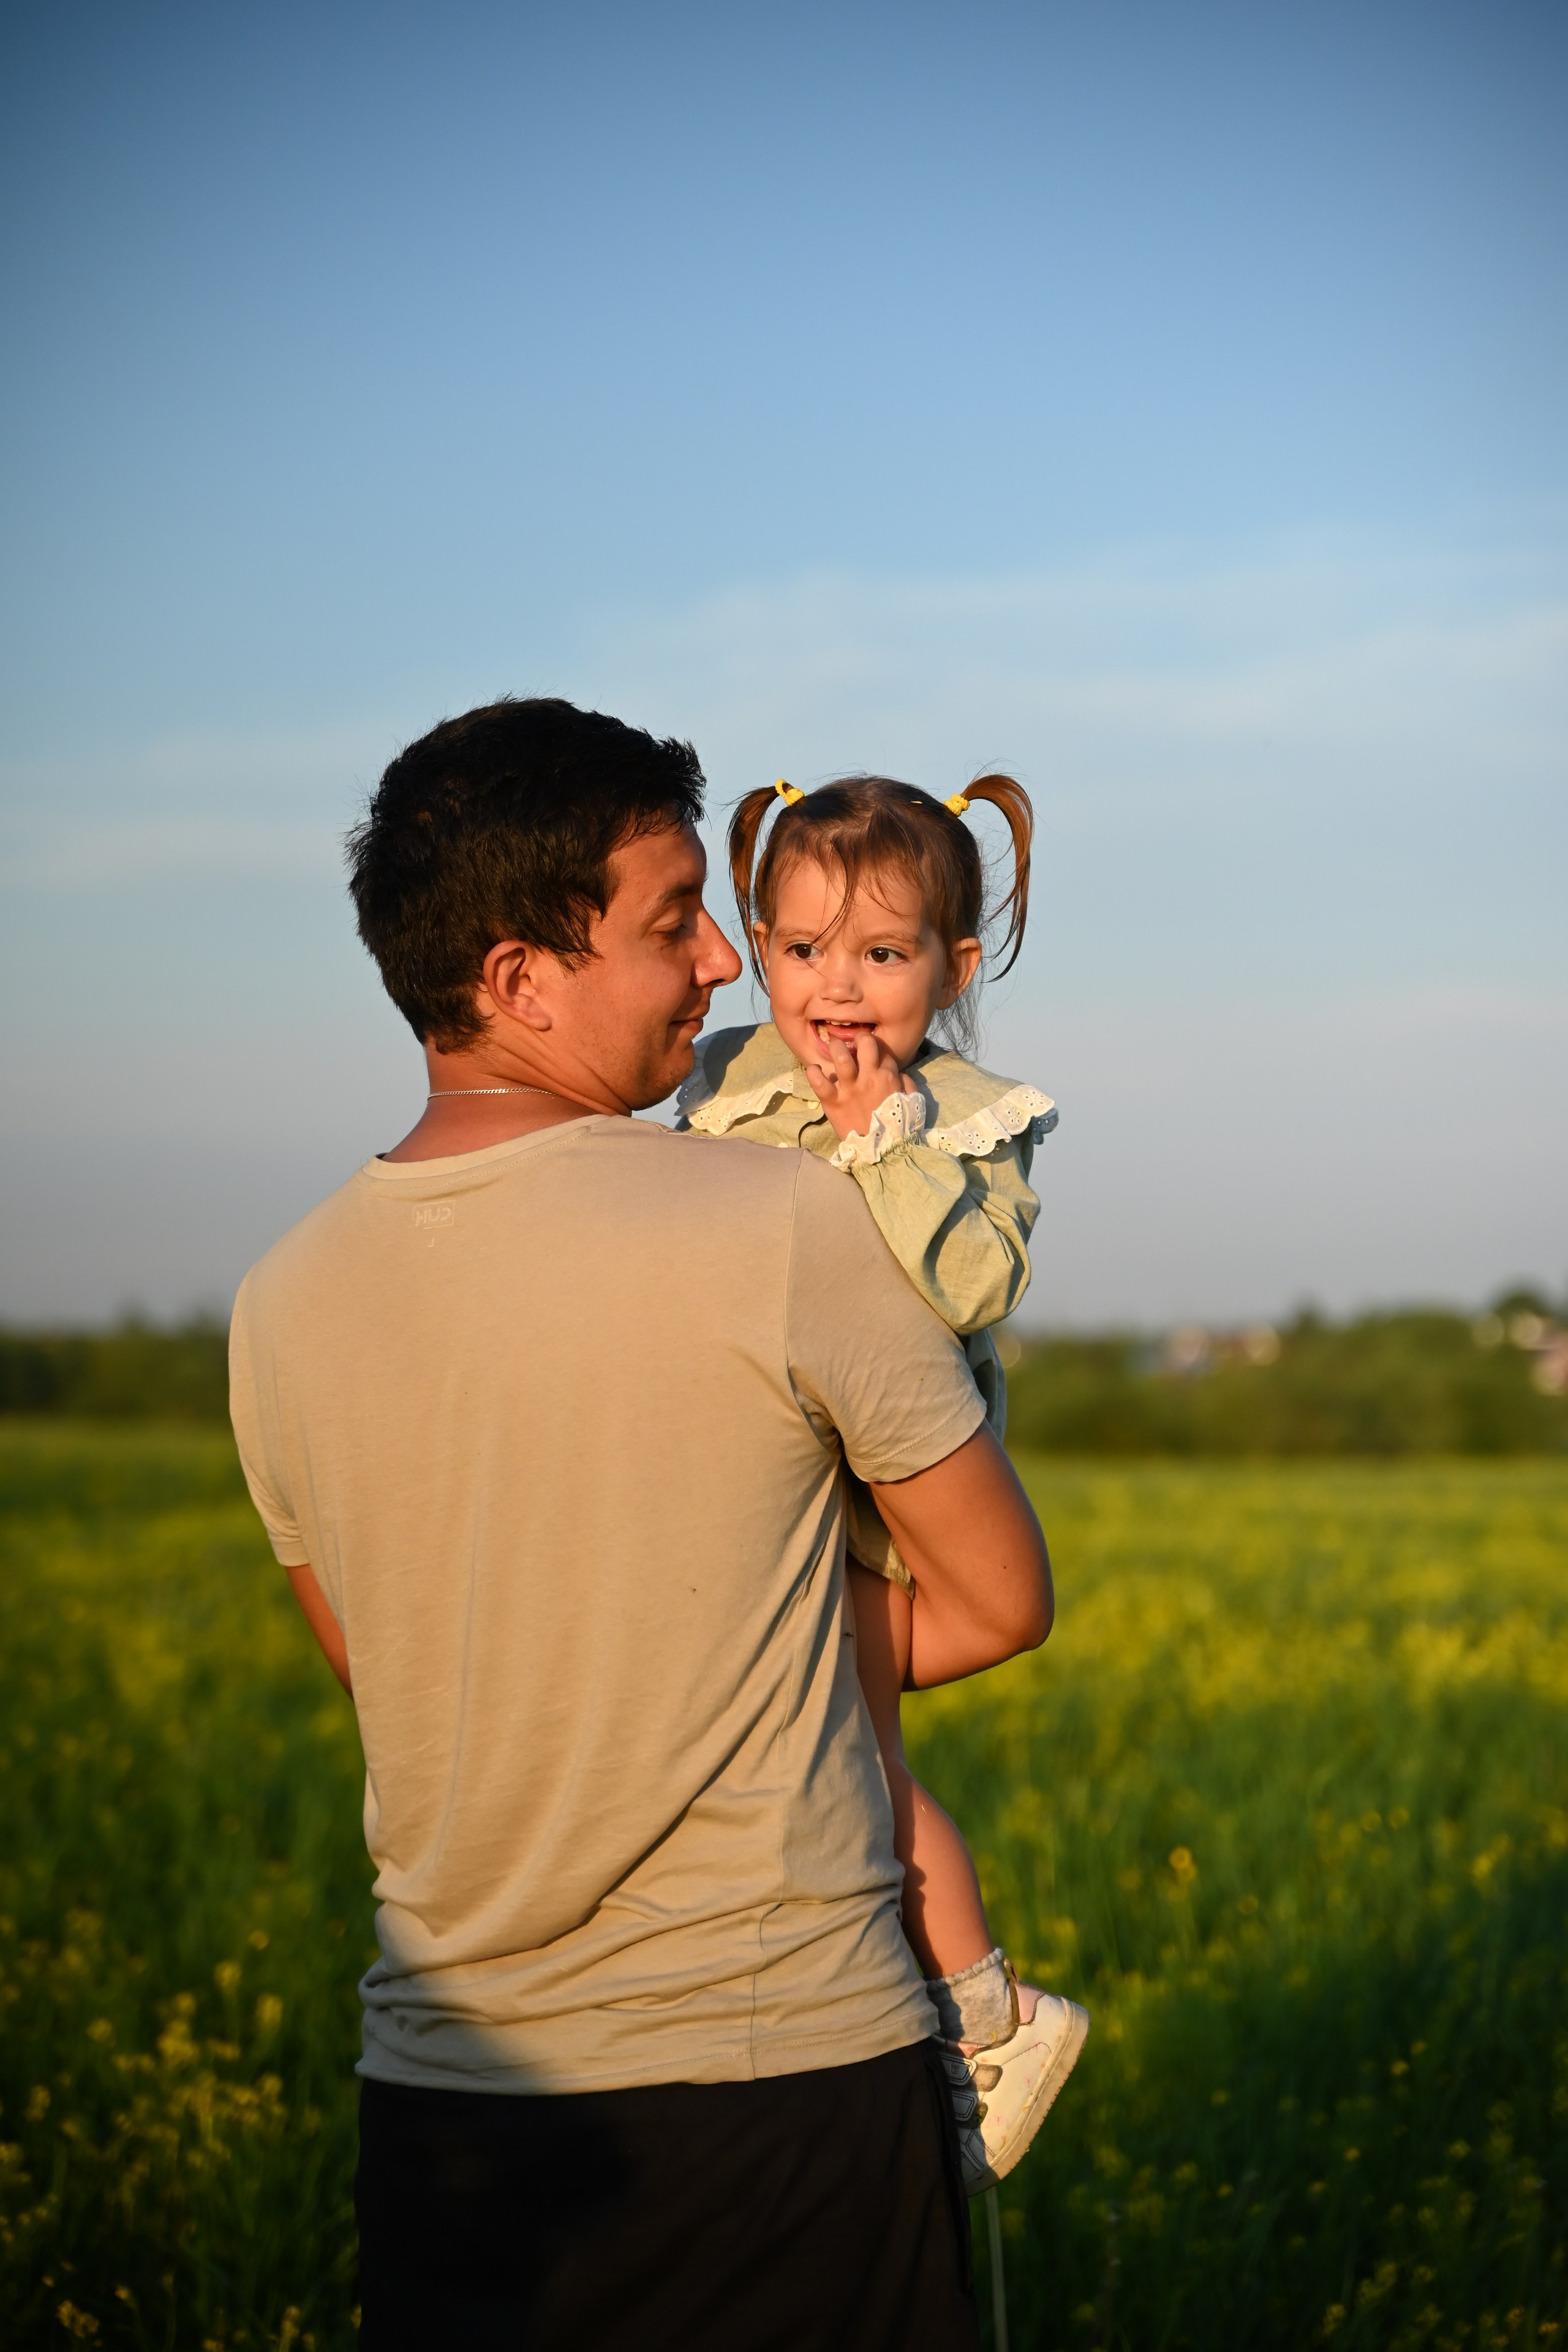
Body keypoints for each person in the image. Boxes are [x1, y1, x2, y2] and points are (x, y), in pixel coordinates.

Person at [226, 697, 1054, 2351]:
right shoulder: (787, 1219)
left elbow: (389, 1673)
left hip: (447, 2101)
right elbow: (1000, 1599)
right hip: (782, 2087)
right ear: (524, 979)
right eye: (679, 925)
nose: (731, 971)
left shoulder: (278, 1302)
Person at [677, 772, 1089, 2191]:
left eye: (881, 953)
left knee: (859, 1758)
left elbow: (976, 1285)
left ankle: (990, 2019)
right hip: (765, 1471)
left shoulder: (961, 1116)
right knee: (814, 1752)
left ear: (953, 969)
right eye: (800, 951)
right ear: (755, 943)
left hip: (878, 1495)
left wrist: (878, 1149)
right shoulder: (728, 1073)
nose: (834, 991)